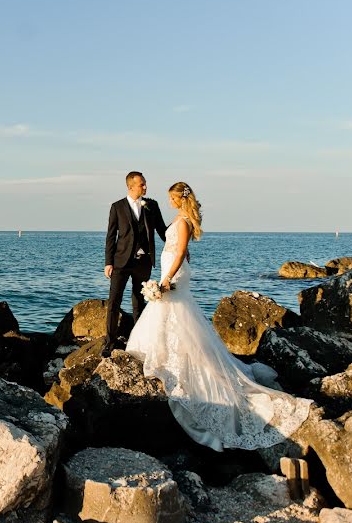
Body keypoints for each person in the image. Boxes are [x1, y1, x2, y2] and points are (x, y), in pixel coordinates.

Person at [125, 182, 312, 451]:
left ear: (179, 198)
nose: (169, 202)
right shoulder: (182, 219)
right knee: (171, 315)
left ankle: (177, 362)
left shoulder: (183, 221)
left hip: (173, 273)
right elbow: (183, 251)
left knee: (177, 315)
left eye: (172, 198)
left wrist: (166, 279)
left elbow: (179, 252)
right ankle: (167, 354)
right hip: (175, 270)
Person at [105, 171, 168, 339]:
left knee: (139, 302)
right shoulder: (117, 207)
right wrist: (108, 262)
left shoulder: (152, 205)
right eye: (142, 184)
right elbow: (111, 236)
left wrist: (179, 241)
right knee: (114, 302)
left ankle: (138, 340)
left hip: (144, 262)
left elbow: (163, 231)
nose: (145, 186)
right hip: (121, 262)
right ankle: (109, 341)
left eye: (145, 183)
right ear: (130, 186)